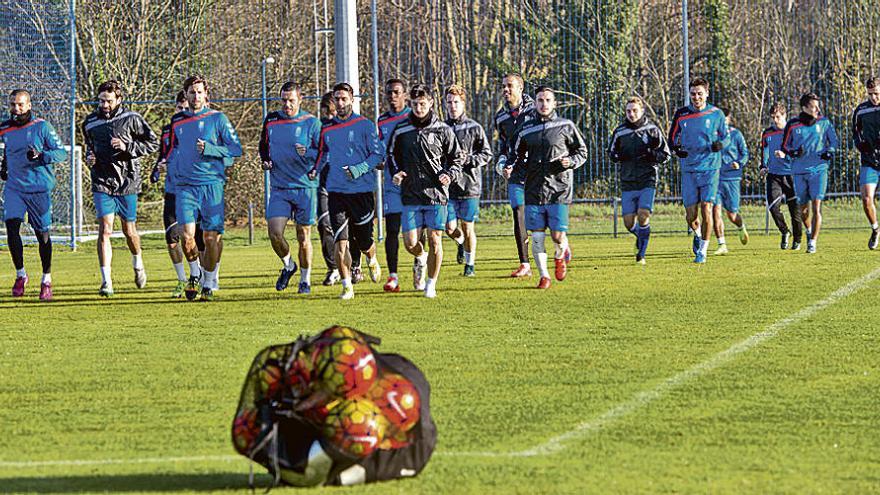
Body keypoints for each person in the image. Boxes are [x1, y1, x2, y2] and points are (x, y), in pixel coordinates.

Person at [168, 74, 242, 301]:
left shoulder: (218, 119)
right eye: (192, 92)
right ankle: (196, 273)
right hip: (186, 187)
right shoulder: (177, 122)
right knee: (186, 236)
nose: (196, 96)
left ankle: (209, 282)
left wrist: (211, 149)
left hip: (212, 185)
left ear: (206, 94)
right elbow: (172, 150)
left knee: (211, 238)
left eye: (200, 91)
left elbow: (235, 149)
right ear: (186, 94)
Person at [82, 80, 158, 297]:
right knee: (105, 229)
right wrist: (90, 156)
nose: (104, 104)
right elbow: (90, 147)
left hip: (128, 182)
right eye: (101, 100)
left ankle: (138, 263)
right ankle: (106, 282)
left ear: (118, 99)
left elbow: (152, 144)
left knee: (129, 231)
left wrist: (128, 147)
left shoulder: (131, 119)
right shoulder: (90, 123)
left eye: (108, 101)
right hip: (102, 181)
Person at [388, 84, 465, 298]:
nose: (419, 108)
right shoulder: (402, 130)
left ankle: (431, 284)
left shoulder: (443, 130)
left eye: (423, 104)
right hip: (411, 194)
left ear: (431, 103)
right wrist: (396, 172)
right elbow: (392, 155)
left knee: (435, 239)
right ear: (410, 104)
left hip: (436, 195)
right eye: (415, 104)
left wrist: (449, 174)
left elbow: (457, 158)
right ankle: (420, 258)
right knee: (411, 243)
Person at [311, 82, 383, 300]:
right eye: (337, 99)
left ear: (352, 99)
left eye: (344, 99)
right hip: (336, 192)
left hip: (361, 192)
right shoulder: (327, 129)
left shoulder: (366, 126)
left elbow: (378, 156)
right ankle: (347, 286)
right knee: (340, 241)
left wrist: (359, 169)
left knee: (363, 241)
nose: (340, 103)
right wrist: (314, 169)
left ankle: (371, 258)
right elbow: (323, 154)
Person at [512, 86, 587, 288]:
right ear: (534, 103)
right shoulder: (526, 130)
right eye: (540, 100)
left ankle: (561, 254)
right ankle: (544, 276)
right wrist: (512, 168)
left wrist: (570, 161)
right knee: (536, 237)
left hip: (559, 190)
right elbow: (517, 156)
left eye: (547, 100)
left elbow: (582, 151)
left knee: (557, 235)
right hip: (534, 191)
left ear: (554, 103)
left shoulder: (566, 126)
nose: (544, 104)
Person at [0, 89, 67, 300]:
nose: (16, 109)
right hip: (14, 188)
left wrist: (41, 156)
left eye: (20, 105)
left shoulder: (42, 126)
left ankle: (46, 279)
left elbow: (61, 152)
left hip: (39, 188)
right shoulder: (4, 128)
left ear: (29, 105)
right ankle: (20, 275)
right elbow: (6, 151)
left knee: (43, 236)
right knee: (11, 227)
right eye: (12, 104)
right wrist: (3, 166)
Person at [260, 81, 322, 294]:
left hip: (305, 187)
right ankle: (289, 265)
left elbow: (325, 154)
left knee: (303, 237)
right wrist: (266, 160)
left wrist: (309, 153)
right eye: (284, 100)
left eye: (291, 100)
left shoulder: (312, 123)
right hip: (280, 187)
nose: (287, 104)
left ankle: (305, 280)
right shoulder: (272, 120)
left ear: (300, 99)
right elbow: (263, 146)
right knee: (275, 233)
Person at [151, 91, 206, 298]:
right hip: (172, 190)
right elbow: (163, 155)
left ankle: (203, 277)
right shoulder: (168, 131)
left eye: (185, 108)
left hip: (193, 190)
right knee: (172, 237)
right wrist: (157, 168)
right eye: (179, 108)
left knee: (196, 238)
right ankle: (183, 279)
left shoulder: (198, 129)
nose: (182, 112)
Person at [668, 76, 728, 264]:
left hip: (710, 168)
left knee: (707, 208)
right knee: (691, 215)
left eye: (700, 94)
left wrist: (720, 145)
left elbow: (726, 137)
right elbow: (671, 138)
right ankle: (697, 232)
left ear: (707, 94)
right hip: (689, 169)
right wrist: (677, 149)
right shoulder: (682, 115)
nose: (696, 97)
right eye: (693, 94)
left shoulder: (716, 114)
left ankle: (703, 250)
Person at [607, 96, 670, 264]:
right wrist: (617, 156)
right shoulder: (620, 132)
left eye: (635, 110)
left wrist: (653, 155)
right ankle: (641, 236)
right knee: (629, 223)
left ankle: (641, 255)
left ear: (642, 111)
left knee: (643, 215)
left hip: (647, 179)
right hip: (628, 181)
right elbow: (611, 152)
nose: (631, 114)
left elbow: (666, 155)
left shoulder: (652, 130)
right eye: (628, 111)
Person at [777, 92, 839, 254]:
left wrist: (829, 151)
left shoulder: (824, 122)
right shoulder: (792, 125)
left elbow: (833, 141)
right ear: (805, 108)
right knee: (804, 210)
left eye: (818, 106)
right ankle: (808, 230)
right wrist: (794, 153)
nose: (817, 109)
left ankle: (812, 242)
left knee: (817, 207)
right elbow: (785, 146)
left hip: (819, 170)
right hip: (799, 172)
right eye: (813, 106)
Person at [444, 84, 493, 276]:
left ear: (463, 103)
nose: (452, 106)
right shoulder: (441, 128)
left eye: (456, 102)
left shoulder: (474, 127)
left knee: (467, 226)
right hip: (447, 188)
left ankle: (469, 265)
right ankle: (461, 242)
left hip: (469, 186)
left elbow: (487, 154)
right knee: (449, 228)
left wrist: (469, 160)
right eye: (449, 102)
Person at [495, 73, 535, 277]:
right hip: (516, 172)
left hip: (537, 171)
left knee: (538, 216)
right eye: (503, 86)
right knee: (518, 211)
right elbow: (503, 146)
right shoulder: (501, 117)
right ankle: (525, 264)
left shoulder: (536, 110)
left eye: (510, 86)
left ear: (521, 88)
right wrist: (503, 162)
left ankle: (559, 246)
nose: (506, 89)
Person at [376, 78, 411, 292]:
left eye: (396, 92)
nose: (392, 96)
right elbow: (380, 149)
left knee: (416, 234)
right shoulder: (381, 121)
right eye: (389, 92)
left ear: (404, 94)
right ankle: (393, 276)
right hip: (392, 184)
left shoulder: (413, 116)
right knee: (392, 230)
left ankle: (420, 261)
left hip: (414, 185)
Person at [760, 102, 803, 250]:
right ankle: (785, 231)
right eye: (773, 117)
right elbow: (764, 150)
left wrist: (785, 155)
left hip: (792, 175)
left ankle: (797, 240)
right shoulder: (767, 133)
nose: (775, 120)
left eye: (778, 117)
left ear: (785, 115)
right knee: (773, 206)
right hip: (774, 175)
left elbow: (799, 153)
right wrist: (764, 166)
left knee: (795, 211)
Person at [712, 108, 750, 255]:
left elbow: (745, 153)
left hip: (732, 178)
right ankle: (722, 244)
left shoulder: (736, 135)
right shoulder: (713, 135)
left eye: (724, 118)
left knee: (732, 215)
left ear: (728, 119)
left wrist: (739, 163)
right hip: (715, 177)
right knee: (715, 211)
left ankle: (741, 226)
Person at [315, 92, 342, 286]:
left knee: (349, 228)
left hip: (345, 184)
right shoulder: (318, 128)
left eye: (332, 112)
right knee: (324, 224)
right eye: (327, 112)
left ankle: (354, 264)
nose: (329, 116)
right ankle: (333, 268)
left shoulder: (347, 126)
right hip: (324, 183)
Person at [852, 76, 880, 250]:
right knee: (866, 198)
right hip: (869, 160)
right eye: (870, 94)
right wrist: (860, 144)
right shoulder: (861, 110)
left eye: (876, 93)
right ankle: (875, 229)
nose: (874, 98)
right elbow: (855, 131)